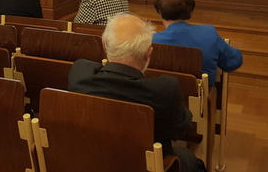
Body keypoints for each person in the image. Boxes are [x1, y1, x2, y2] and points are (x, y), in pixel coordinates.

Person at [68, 13, 204, 172]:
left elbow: (89, 66)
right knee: (191, 159)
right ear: (148, 53)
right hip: (148, 166)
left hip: (93, 161)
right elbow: (180, 130)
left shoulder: (80, 75)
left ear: (104, 45)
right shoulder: (165, 89)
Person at [152, 0, 242, 87]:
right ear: (191, 9)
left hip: (162, 94)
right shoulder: (209, 33)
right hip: (201, 94)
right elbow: (233, 62)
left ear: (159, 11)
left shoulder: (152, 41)